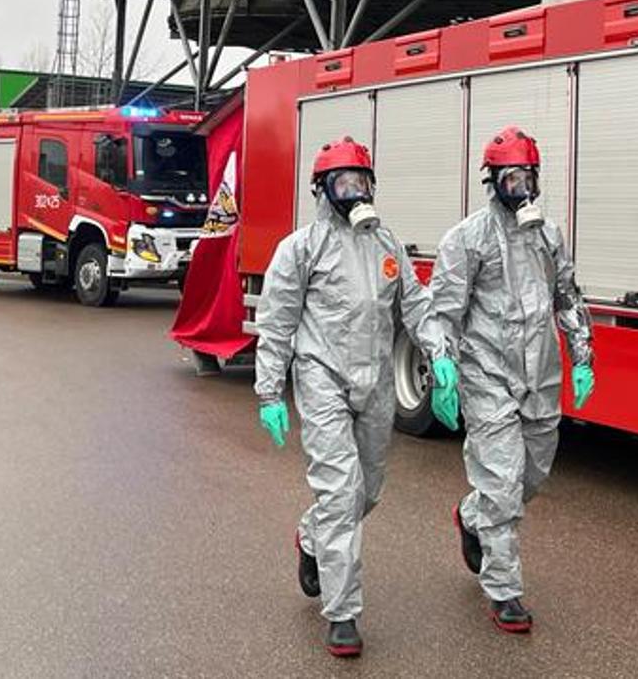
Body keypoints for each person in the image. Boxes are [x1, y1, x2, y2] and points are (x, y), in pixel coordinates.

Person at [254, 137, 459, 658]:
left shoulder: (385, 245)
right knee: (342, 493)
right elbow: (276, 325)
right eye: (343, 182)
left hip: (376, 384)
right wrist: (270, 391)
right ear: (323, 190)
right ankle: (343, 614)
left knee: (367, 491)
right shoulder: (301, 249)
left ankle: (310, 536)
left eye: (361, 181)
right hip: (323, 378)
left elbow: (416, 306)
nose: (354, 191)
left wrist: (438, 353)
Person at [422, 126, 594, 633]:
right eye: (511, 177)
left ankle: (471, 517)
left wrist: (583, 355)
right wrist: (443, 367)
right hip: (487, 375)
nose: (521, 186)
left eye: (528, 176)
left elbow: (567, 296)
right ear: (492, 181)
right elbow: (443, 313)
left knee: (531, 478)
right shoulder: (468, 239)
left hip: (539, 374)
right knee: (501, 480)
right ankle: (504, 591)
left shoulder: (549, 235)